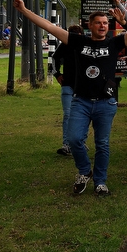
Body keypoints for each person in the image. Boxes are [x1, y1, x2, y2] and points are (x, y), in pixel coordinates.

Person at [13, 0, 127, 195]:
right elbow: (49, 27)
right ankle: (85, 170)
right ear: (90, 25)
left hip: (106, 103)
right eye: (98, 23)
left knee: (102, 144)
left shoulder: (114, 43)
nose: (102, 26)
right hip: (81, 102)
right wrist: (25, 10)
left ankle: (100, 181)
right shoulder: (78, 41)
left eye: (105, 23)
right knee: (74, 139)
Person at [51, 25, 83, 155]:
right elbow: (54, 58)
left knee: (82, 115)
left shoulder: (85, 45)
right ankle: (67, 144)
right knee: (68, 114)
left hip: (82, 86)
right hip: (68, 84)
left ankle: (79, 142)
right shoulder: (65, 45)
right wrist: (57, 74)